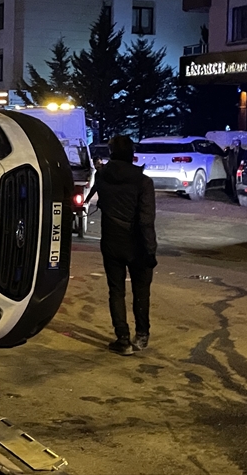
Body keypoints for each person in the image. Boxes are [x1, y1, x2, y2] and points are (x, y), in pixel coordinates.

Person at [83, 135, 157, 356]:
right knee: (141, 291)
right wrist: (150, 250)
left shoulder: (103, 176)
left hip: (111, 241)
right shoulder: (143, 182)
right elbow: (146, 220)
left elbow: (102, 200)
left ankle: (122, 338)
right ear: (132, 154)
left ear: (112, 153)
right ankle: (141, 335)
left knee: (116, 291)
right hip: (137, 243)